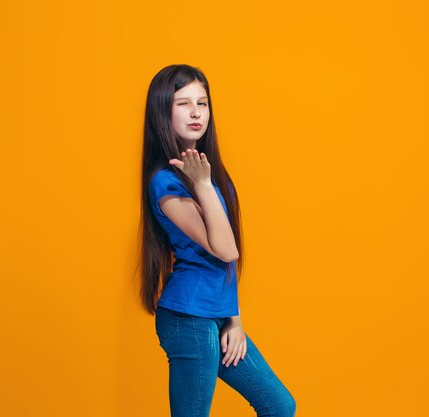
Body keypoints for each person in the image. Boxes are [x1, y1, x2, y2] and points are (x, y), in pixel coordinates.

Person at [139, 64, 297, 417]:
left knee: (279, 406)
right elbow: (225, 249)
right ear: (162, 112)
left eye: (203, 102)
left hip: (216, 314)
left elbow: (225, 260)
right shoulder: (165, 183)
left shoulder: (209, 174)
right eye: (183, 103)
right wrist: (204, 185)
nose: (196, 112)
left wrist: (234, 320)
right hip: (188, 316)